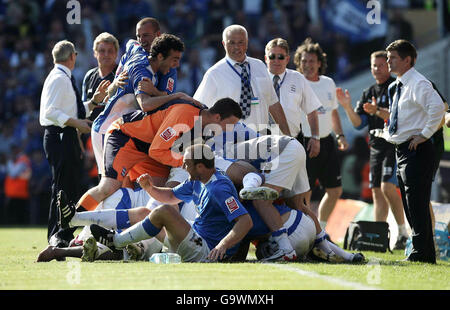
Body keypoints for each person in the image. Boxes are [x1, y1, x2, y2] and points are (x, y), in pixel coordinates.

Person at [57, 98, 243, 225]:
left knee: (159, 193)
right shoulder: (185, 115)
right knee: (108, 186)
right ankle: (69, 224)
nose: (229, 129)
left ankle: (131, 238)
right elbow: (157, 150)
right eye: (230, 124)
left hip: (149, 148)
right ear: (217, 117)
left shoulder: (203, 125)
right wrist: (183, 163)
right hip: (127, 137)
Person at [90, 144, 253, 262]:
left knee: (165, 212)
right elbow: (171, 196)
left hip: (207, 250)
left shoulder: (219, 189)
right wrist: (150, 188)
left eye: (187, 164)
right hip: (198, 237)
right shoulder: (198, 179)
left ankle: (117, 241)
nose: (182, 166)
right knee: (154, 214)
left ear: (201, 166)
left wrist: (223, 245)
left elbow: (246, 221)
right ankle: (120, 244)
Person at [92, 34, 195, 178]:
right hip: (107, 129)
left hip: (122, 132)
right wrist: (177, 95)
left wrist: (118, 75)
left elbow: (131, 43)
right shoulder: (143, 72)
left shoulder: (141, 56)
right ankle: (78, 202)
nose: (177, 65)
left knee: (125, 185)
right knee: (109, 185)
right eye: (174, 59)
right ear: (160, 56)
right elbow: (145, 104)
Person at [336, 51, 409, 249]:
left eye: (381, 65)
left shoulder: (396, 87)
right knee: (376, 191)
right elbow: (359, 124)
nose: (377, 69)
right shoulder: (369, 92)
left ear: (388, 66)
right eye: (374, 65)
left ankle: (403, 232)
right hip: (375, 146)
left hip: (393, 145)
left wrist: (377, 111)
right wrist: (347, 107)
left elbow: (398, 117)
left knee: (387, 187)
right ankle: (378, 237)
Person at [39, 40, 106, 247]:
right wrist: (75, 123)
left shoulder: (61, 77)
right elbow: (50, 112)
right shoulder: (60, 78)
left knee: (68, 186)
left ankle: (61, 235)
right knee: (62, 188)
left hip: (64, 135)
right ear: (72, 56)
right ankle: (57, 236)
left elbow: (69, 111)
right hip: (60, 136)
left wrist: (93, 101)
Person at [385, 40, 446, 263]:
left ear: (407, 60)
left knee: (417, 203)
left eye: (393, 58)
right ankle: (421, 250)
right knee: (411, 203)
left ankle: (422, 252)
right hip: (402, 149)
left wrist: (425, 134)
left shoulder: (418, 82)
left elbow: (439, 107)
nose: (388, 61)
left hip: (417, 149)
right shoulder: (398, 85)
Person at [293, 38, 348, 233]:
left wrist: (340, 135)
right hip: (304, 141)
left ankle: (321, 231)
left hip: (327, 141)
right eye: (304, 61)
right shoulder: (295, 83)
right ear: (299, 62)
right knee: (304, 193)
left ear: (319, 63)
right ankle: (303, 231)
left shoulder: (328, 83)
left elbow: (333, 112)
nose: (307, 65)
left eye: (311, 61)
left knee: (335, 191)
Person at [194, 24, 291, 135]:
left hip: (263, 138)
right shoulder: (214, 74)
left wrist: (288, 136)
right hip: (232, 141)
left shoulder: (259, 66)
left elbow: (274, 104)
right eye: (232, 43)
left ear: (247, 42)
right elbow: (199, 110)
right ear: (224, 44)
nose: (237, 47)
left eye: (241, 42)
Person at [264, 38, 322, 158]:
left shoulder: (297, 78)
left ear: (287, 59)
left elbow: (311, 110)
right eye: (272, 56)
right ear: (265, 58)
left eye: (280, 57)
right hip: (265, 145)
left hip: (294, 141)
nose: (276, 60)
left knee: (301, 177)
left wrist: (315, 137)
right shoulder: (257, 80)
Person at [82, 32, 119, 122]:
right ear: (95, 53)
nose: (106, 54)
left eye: (110, 51)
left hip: (115, 132)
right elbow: (82, 108)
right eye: (102, 51)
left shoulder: (121, 74)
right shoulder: (89, 75)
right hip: (91, 132)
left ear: (116, 54)